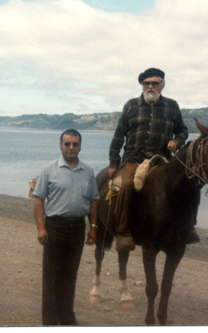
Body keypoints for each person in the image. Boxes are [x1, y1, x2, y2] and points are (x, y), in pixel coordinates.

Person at [109, 67, 193, 252]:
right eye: (146, 83)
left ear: (162, 85)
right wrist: (114, 163)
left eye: (155, 83)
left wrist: (176, 141)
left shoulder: (172, 106)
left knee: (187, 183)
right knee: (128, 185)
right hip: (133, 158)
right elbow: (118, 137)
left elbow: (182, 131)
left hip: (161, 158)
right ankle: (122, 231)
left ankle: (187, 227)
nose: (150, 86)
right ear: (142, 85)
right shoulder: (131, 106)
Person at [33, 129, 99, 326]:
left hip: (77, 229)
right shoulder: (49, 169)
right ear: (60, 145)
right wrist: (40, 228)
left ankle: (67, 318)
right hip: (54, 228)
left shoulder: (88, 171)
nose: (71, 148)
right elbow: (38, 200)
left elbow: (94, 201)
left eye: (75, 144)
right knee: (52, 278)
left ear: (80, 146)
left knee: (70, 276)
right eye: (67, 144)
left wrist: (93, 227)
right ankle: (51, 323)